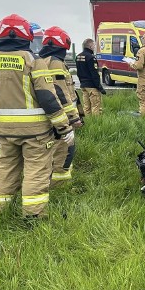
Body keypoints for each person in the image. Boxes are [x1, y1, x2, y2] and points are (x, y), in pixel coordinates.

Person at [0, 14, 74, 218]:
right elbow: (48, 97)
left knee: (6, 168)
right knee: (36, 170)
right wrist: (64, 127)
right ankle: (33, 216)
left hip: (4, 130)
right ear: (26, 35)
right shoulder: (33, 61)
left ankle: (1, 212)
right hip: (35, 132)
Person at [40, 26, 83, 186]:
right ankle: (59, 187)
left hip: (50, 116)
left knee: (52, 150)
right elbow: (61, 93)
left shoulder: (43, 61)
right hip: (62, 118)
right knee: (65, 150)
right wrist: (73, 118)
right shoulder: (55, 64)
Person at [76, 38, 105, 115]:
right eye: (94, 45)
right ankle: (97, 124)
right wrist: (99, 87)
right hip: (92, 86)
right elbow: (94, 73)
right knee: (96, 107)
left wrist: (82, 82)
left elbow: (78, 72)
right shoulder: (91, 57)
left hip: (83, 85)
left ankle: (88, 123)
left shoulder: (78, 56)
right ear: (90, 46)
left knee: (86, 107)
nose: (95, 47)